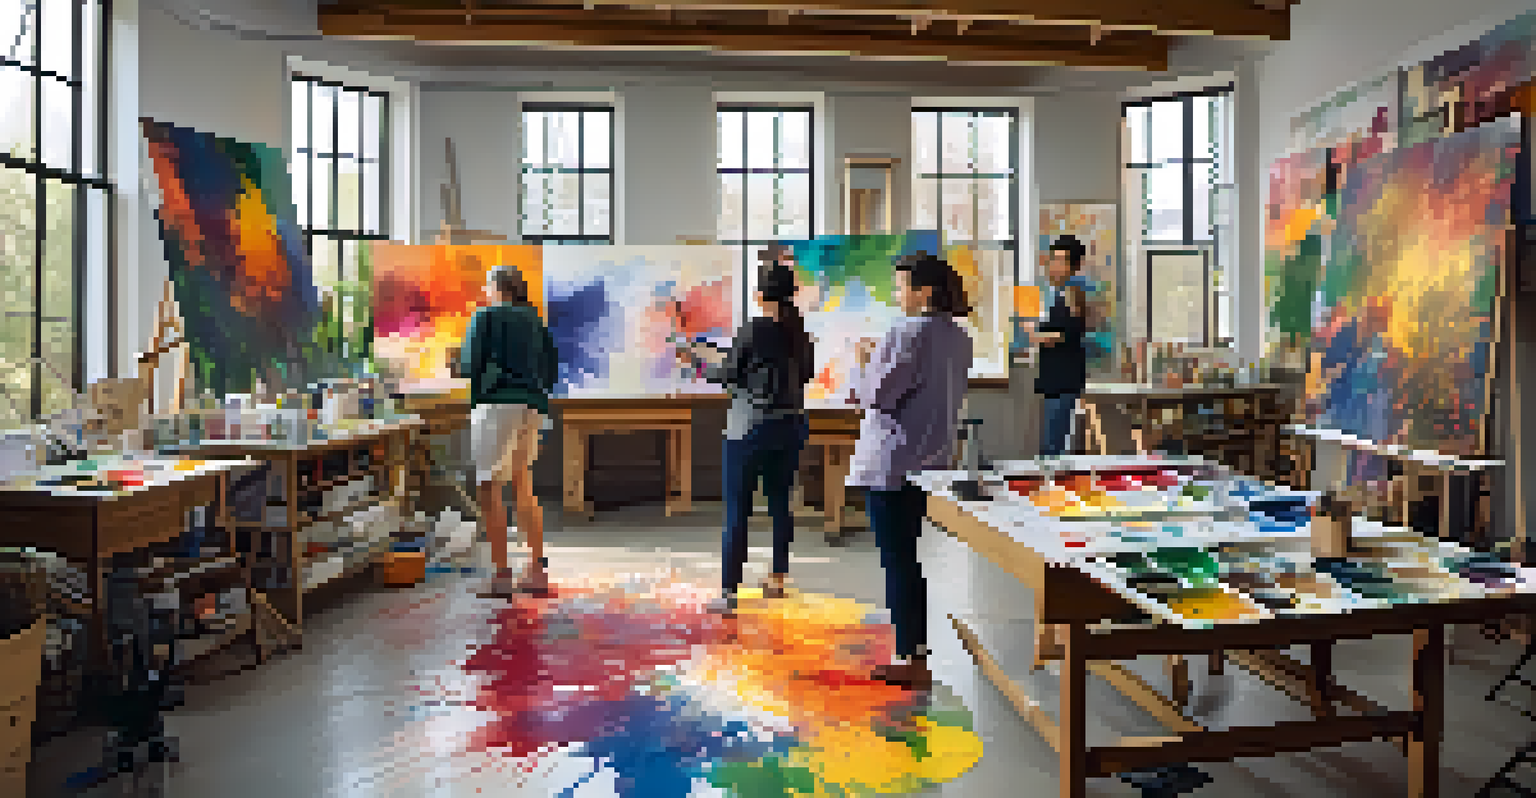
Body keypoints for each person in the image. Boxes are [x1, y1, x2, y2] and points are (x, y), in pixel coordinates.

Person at [847, 252, 974, 690]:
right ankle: (914, 650)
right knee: (909, 557)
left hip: (892, 462)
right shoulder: (959, 338)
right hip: (931, 460)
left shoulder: (906, 333)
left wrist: (866, 358)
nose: (897, 295)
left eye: (901, 287)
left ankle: (910, 657)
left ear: (925, 293)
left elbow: (876, 396)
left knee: (896, 561)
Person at [683, 245, 814, 614]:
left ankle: (728, 593)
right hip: (790, 426)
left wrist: (695, 363)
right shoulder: (800, 332)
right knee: (780, 506)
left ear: (759, 295)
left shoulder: (754, 328)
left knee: (738, 509)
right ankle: (777, 578)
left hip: (750, 429)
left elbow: (727, 374)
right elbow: (803, 374)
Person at [459, 265, 559, 597]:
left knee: (489, 488)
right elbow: (551, 371)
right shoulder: (535, 321)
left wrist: (459, 364)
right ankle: (536, 571)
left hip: (497, 406)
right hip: (533, 407)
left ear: (497, 287)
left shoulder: (485, 317)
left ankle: (502, 574)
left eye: (488, 286)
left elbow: (469, 365)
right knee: (522, 482)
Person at [1034, 235, 1089, 458]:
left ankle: (1055, 491)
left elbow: (1067, 333)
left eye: (1060, 260)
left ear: (1073, 266)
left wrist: (1038, 334)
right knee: (1051, 447)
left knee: (1054, 451)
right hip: (1054, 380)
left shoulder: (1072, 293)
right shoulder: (1054, 294)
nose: (1053, 265)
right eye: (1052, 259)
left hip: (1064, 381)